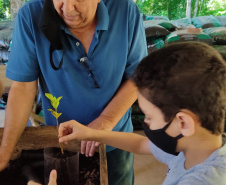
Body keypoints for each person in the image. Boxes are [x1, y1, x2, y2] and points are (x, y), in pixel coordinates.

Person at [0, 0, 147, 184]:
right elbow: (22, 87)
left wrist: (105, 122)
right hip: (61, 144)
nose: (68, 9)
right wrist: (5, 152)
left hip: (114, 139)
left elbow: (138, 77)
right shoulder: (30, 16)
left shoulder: (126, 12)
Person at [56, 42, 226, 184]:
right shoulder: (192, 148)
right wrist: (92, 133)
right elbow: (141, 144)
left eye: (149, 116)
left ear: (183, 123)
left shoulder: (203, 180)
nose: (146, 122)